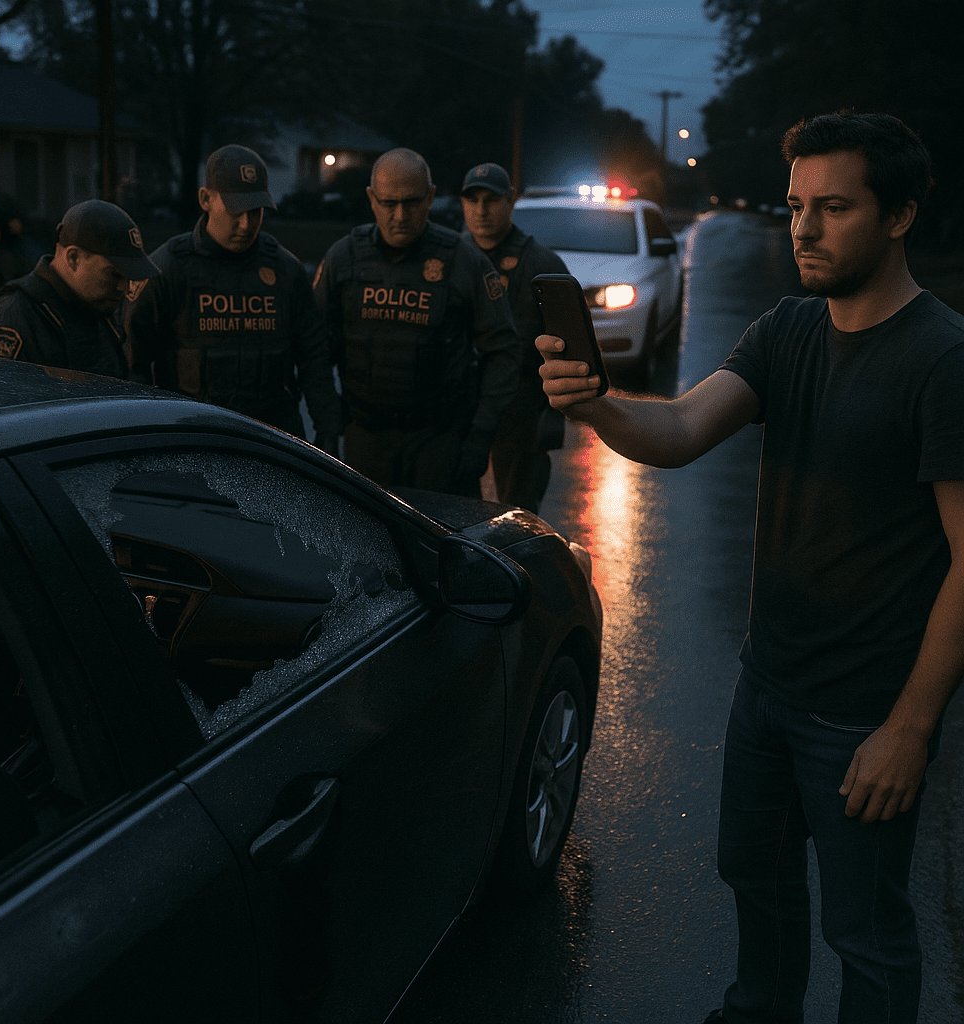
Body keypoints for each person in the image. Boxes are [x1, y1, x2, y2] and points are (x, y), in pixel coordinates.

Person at [538, 111, 964, 1024]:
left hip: (864, 714)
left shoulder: (943, 360)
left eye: (834, 207)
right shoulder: (789, 329)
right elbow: (685, 429)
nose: (804, 229)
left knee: (868, 938)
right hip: (767, 689)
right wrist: (599, 404)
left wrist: (910, 730)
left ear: (900, 217)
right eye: (796, 205)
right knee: (758, 887)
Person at [314, 148, 520, 495]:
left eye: (411, 202)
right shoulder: (343, 258)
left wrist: (480, 435)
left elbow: (503, 351)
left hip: (439, 443)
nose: (399, 215)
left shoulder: (463, 262)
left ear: (430, 197)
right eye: (388, 203)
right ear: (370, 199)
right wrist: (327, 421)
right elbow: (313, 346)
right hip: (365, 438)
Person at [125, 144, 342, 453]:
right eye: (236, 210)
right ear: (205, 199)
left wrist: (328, 430)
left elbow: (314, 360)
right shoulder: (168, 269)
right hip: (194, 440)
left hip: (274, 440)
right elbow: (133, 364)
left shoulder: (285, 271)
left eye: (256, 212)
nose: (246, 224)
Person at [460, 162, 569, 512]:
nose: (481, 210)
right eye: (472, 199)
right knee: (453, 509)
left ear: (510, 201)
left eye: (490, 200)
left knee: (517, 513)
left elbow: (569, 346)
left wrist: (554, 415)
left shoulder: (541, 264)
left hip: (520, 407)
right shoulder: (450, 257)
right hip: (460, 403)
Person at [0, 199, 158, 377]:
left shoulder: (98, 311)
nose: (124, 287)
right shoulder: (13, 317)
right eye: (114, 274)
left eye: (128, 276)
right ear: (73, 258)